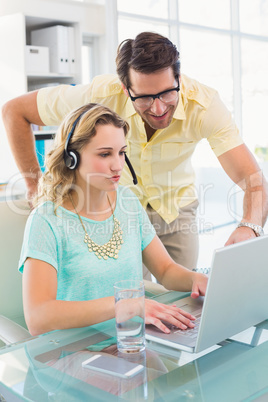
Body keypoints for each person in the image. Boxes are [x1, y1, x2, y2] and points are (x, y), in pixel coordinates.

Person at [3, 32, 267, 280]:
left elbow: (253, 179)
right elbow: (15, 111)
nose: (159, 108)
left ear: (179, 78)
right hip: (119, 213)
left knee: (185, 303)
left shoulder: (205, 106)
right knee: (130, 300)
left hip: (176, 209)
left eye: (167, 92)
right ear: (124, 87)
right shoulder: (99, 95)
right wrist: (33, 185)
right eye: (144, 97)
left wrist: (250, 226)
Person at [18, 103, 207, 337]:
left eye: (121, 152)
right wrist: (124, 306)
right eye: (105, 154)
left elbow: (166, 269)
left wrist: (197, 279)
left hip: (130, 339)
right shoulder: (46, 220)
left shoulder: (127, 201)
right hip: (73, 352)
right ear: (71, 158)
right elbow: (38, 317)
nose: (118, 166)